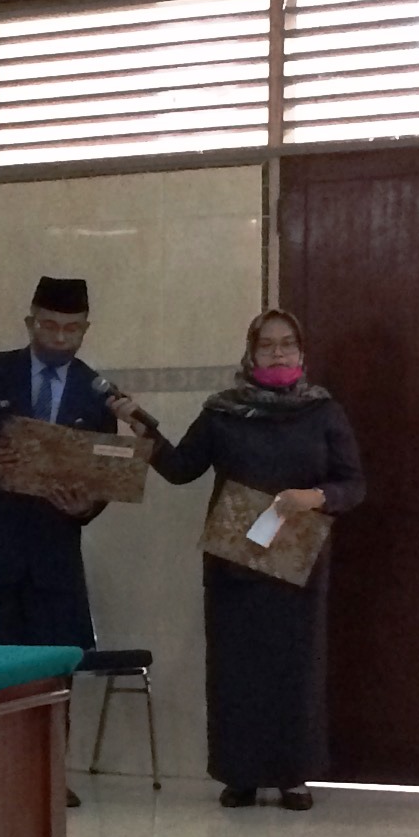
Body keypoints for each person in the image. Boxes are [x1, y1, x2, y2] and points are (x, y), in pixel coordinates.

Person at [137, 310, 364, 810]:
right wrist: (140, 428)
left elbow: (353, 484)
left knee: (295, 670)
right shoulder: (224, 412)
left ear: (301, 351)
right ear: (251, 353)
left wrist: (316, 497)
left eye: (287, 344)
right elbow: (181, 468)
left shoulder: (323, 412)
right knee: (235, 671)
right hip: (234, 565)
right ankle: (238, 774)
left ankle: (293, 776)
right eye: (267, 345)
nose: (278, 353)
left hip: (298, 565)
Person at [0, 275, 138, 654]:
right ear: (31, 323)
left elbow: (99, 476)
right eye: (49, 325)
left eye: (71, 329)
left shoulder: (96, 392)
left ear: (85, 330)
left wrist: (86, 507)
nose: (60, 337)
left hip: (55, 565)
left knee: (53, 673)